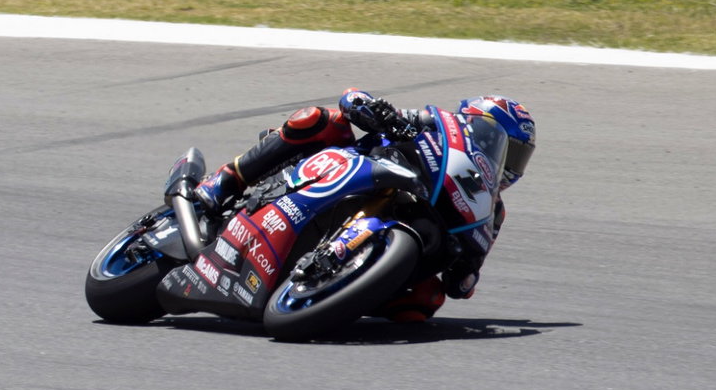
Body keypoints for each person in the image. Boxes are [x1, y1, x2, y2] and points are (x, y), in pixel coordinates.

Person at [191, 88, 536, 322]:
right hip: (356, 170)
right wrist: (372, 109)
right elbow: (353, 99)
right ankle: (224, 182)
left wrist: (465, 274)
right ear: (478, 130)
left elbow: (464, 281)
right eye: (507, 148)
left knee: (425, 303)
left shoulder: (492, 212)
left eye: (518, 157)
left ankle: (337, 296)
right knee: (320, 120)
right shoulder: (435, 125)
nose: (509, 163)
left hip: (405, 225)